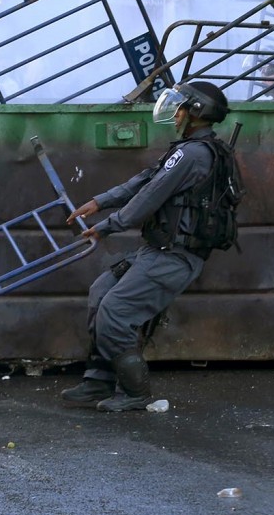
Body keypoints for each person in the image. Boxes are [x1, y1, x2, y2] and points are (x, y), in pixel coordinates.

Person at [61, 81, 231, 412]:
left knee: (115, 312)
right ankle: (98, 382)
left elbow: (149, 198)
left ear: (195, 114)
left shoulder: (192, 153)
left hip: (175, 256)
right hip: (158, 251)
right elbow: (146, 179)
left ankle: (135, 392)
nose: (175, 112)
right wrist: (100, 202)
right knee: (100, 293)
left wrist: (107, 226)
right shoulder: (190, 148)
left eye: (180, 106)